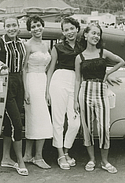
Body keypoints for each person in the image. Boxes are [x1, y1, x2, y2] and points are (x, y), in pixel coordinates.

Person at [74, 23, 125, 174]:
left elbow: (121, 61)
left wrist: (108, 74)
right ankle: (91, 159)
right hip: (85, 90)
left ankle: (105, 161)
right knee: (87, 127)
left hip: (101, 91)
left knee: (104, 128)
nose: (96, 36)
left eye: (98, 34)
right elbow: (78, 79)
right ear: (85, 35)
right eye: (93, 33)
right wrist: (76, 100)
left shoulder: (103, 52)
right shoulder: (80, 57)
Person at [0, 17, 28, 176]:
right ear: (4, 27)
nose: (11, 28)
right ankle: (20, 161)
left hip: (19, 84)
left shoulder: (22, 44)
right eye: (8, 26)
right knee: (17, 124)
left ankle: (6, 158)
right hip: (6, 85)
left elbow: (24, 68)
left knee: (10, 123)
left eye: (14, 25)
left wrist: (26, 90)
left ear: (18, 26)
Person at [46, 17, 82, 170]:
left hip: (76, 81)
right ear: (63, 32)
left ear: (77, 29)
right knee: (58, 120)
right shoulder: (58, 47)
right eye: (66, 30)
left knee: (75, 122)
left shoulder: (83, 47)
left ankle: (66, 150)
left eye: (71, 28)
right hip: (59, 80)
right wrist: (47, 90)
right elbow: (51, 69)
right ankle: (61, 154)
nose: (69, 32)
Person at [22, 15, 53, 169]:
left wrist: (47, 90)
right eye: (33, 27)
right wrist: (26, 91)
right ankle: (37, 157)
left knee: (36, 118)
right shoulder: (28, 45)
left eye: (38, 25)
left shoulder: (46, 45)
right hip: (31, 81)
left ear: (42, 26)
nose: (36, 29)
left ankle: (29, 155)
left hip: (43, 80)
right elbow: (24, 68)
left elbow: (47, 68)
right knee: (38, 118)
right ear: (29, 30)